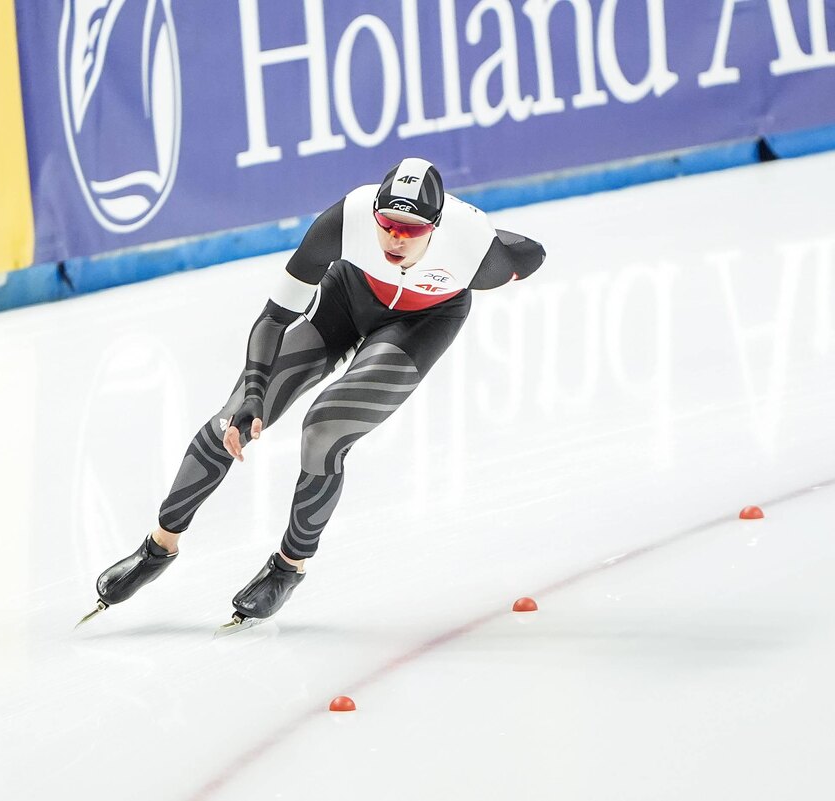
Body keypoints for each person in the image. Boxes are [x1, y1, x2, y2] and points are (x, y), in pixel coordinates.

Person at [79, 158, 546, 630]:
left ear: (437, 226)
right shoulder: (347, 218)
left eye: (411, 229)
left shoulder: (475, 251)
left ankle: (289, 566)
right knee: (231, 418)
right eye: (387, 224)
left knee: (324, 429)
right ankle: (158, 547)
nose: (396, 239)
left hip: (422, 321)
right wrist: (255, 393)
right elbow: (274, 317)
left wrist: (486, 231)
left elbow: (531, 252)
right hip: (347, 297)